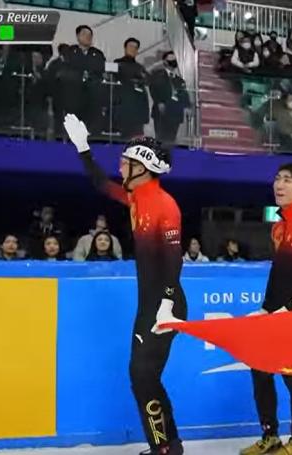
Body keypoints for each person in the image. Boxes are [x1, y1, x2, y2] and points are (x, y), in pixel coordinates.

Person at [64, 114, 186, 455]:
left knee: (142, 376)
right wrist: (83, 148)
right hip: (151, 303)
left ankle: (163, 449)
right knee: (146, 377)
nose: (119, 166)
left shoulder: (164, 204)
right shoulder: (137, 197)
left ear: (142, 168)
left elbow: (173, 258)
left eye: (125, 161)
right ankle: (170, 445)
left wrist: (166, 304)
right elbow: (102, 184)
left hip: (163, 304)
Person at [240, 162, 292, 455]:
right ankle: (270, 436)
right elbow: (278, 274)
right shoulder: (279, 226)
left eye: (288, 180)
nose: (279, 184)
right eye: (277, 178)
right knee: (259, 368)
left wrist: (289, 308)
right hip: (276, 312)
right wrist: (266, 309)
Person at [62, 25, 106, 135]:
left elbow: (101, 72)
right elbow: (65, 71)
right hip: (73, 97)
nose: (88, 37)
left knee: (91, 130)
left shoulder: (97, 54)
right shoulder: (69, 52)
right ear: (78, 36)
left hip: (92, 99)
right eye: (84, 34)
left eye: (90, 35)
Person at [150, 52, 190, 144]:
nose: (173, 61)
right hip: (162, 113)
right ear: (165, 62)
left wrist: (187, 106)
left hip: (175, 114)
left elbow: (184, 94)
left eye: (174, 59)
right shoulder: (157, 76)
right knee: (160, 140)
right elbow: (153, 89)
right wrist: (159, 102)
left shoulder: (180, 80)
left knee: (171, 140)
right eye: (171, 59)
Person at [115, 38, 150, 138]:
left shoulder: (140, 67)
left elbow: (148, 80)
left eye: (135, 48)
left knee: (136, 140)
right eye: (130, 46)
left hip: (138, 111)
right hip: (122, 109)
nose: (133, 49)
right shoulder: (117, 64)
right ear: (125, 48)